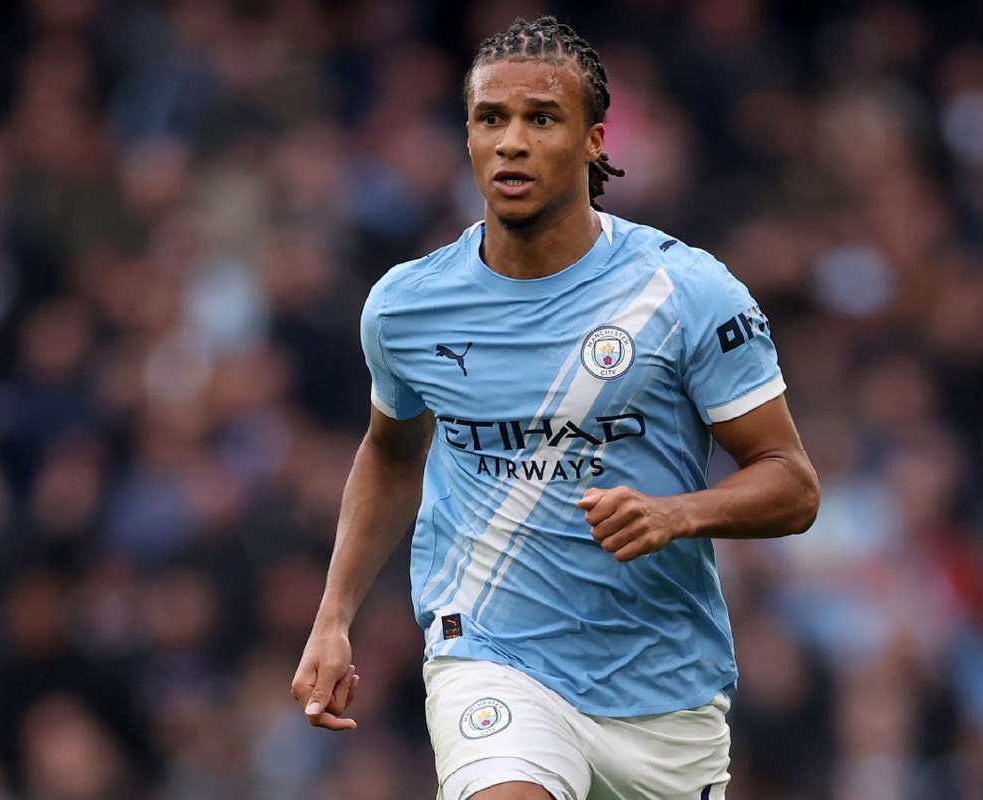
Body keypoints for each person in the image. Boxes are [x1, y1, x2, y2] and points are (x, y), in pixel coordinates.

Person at [291, 14, 821, 800]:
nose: (512, 141)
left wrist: (678, 514)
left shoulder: (684, 292)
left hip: (663, 692)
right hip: (492, 655)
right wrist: (333, 616)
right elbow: (391, 452)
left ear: (594, 142)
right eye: (490, 119)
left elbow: (793, 484)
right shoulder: (406, 307)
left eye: (541, 119)